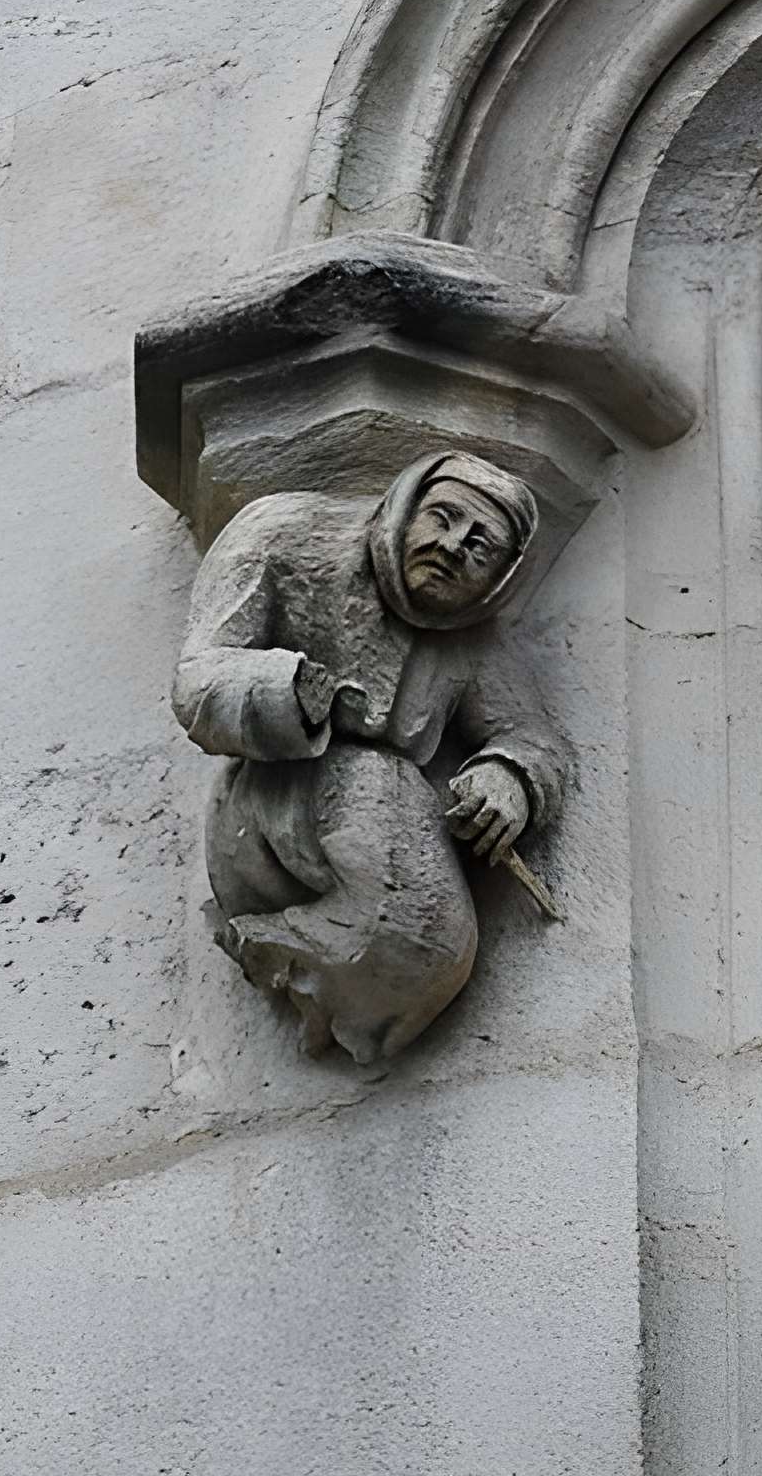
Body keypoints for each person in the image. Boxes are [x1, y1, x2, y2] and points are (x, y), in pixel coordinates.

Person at [172, 451, 568, 1063]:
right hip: (269, 809)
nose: (454, 545)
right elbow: (198, 677)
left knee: (429, 945)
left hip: (382, 815)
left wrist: (506, 779)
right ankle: (280, 948)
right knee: (391, 833)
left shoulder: (470, 635)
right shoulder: (283, 534)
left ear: (499, 579)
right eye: (442, 516)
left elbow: (531, 736)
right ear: (405, 507)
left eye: (481, 546)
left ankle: (294, 957)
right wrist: (289, 692)